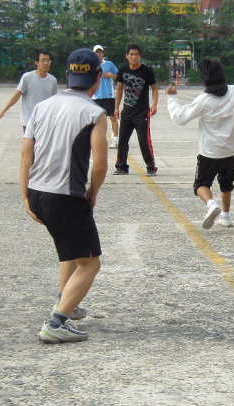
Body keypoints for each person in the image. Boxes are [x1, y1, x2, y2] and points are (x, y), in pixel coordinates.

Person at [20, 48, 108, 343]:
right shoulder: (94, 112)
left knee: (71, 250)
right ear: (97, 78)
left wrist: (25, 195)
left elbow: (26, 152)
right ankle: (56, 323)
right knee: (90, 262)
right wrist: (92, 193)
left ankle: (66, 302)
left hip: (38, 193)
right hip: (66, 195)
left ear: (68, 76)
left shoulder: (43, 106)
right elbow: (100, 164)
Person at [166, 58, 234, 229]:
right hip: (230, 150)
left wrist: (172, 98)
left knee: (201, 184)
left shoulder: (204, 99)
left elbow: (180, 118)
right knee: (226, 184)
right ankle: (226, 216)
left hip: (210, 151)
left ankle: (211, 204)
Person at [113, 44, 159, 175]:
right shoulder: (123, 70)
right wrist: (116, 107)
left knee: (144, 141)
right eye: (131, 54)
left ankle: (151, 167)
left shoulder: (146, 71)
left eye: (136, 54)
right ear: (127, 56)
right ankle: (121, 166)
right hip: (127, 111)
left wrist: (154, 104)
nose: (134, 57)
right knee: (122, 140)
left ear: (140, 56)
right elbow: (119, 89)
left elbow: (154, 88)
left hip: (141, 112)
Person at [0, 49, 58, 131]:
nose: (46, 63)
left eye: (48, 60)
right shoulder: (27, 77)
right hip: (29, 122)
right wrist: (3, 111)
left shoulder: (52, 80)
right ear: (37, 62)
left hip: (45, 123)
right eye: (43, 60)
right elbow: (17, 95)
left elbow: (54, 101)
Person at [92, 45, 120, 148]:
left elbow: (119, 76)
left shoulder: (109, 64)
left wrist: (110, 75)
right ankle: (97, 139)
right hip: (96, 96)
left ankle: (115, 140)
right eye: (96, 52)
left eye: (100, 52)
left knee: (113, 117)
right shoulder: (91, 65)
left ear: (103, 53)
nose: (98, 54)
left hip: (109, 95)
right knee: (96, 120)